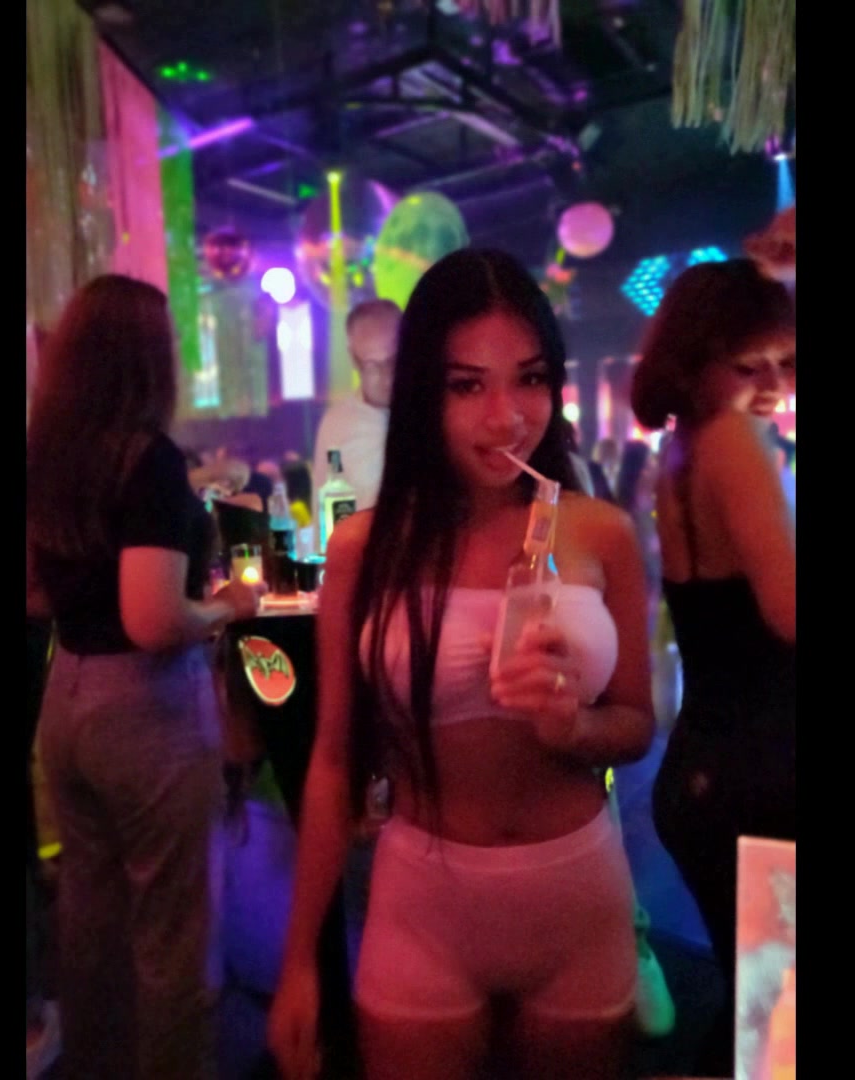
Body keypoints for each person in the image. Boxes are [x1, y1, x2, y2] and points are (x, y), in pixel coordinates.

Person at [270, 249, 656, 1080]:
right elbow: (333, 759)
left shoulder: (601, 533)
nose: (506, 417)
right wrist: (298, 959)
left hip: (576, 897)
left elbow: (635, 724)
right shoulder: (364, 549)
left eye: (530, 379)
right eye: (467, 385)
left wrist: (574, 727)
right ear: (423, 393)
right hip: (422, 904)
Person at [27, 275, 261, 1080]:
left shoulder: (50, 453)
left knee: (91, 922)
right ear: (148, 358)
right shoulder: (149, 459)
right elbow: (153, 620)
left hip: (67, 696)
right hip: (145, 706)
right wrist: (227, 606)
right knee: (173, 931)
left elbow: (35, 591)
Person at [630, 257, 796, 1077]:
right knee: (776, 1038)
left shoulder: (683, 449)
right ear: (694, 364)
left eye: (784, 363)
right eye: (748, 365)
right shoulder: (736, 441)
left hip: (709, 769)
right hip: (765, 775)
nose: (773, 385)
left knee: (758, 1022)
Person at [312, 299, 401, 513]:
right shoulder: (338, 425)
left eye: (393, 360)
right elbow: (325, 512)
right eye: (372, 365)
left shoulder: (439, 410)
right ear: (354, 360)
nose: (387, 376)